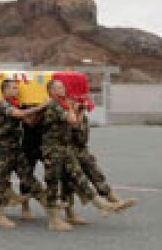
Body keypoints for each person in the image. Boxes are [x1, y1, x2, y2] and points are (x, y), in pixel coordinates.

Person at [40, 79, 119, 231]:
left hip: (65, 149)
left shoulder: (62, 105)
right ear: (51, 91)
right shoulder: (53, 105)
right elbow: (71, 119)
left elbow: (75, 124)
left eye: (62, 86)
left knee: (79, 177)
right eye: (58, 87)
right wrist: (71, 108)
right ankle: (53, 220)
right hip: (53, 150)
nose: (62, 89)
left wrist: (78, 109)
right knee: (53, 183)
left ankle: (101, 205)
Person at [0, 79, 49, 228]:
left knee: (29, 177)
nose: (17, 90)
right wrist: (42, 105)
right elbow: (19, 114)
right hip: (3, 150)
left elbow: (30, 122)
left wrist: (39, 109)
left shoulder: (14, 104)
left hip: (16, 148)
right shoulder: (1, 104)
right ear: (5, 90)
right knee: (0, 182)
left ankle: (50, 205)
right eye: (14, 88)